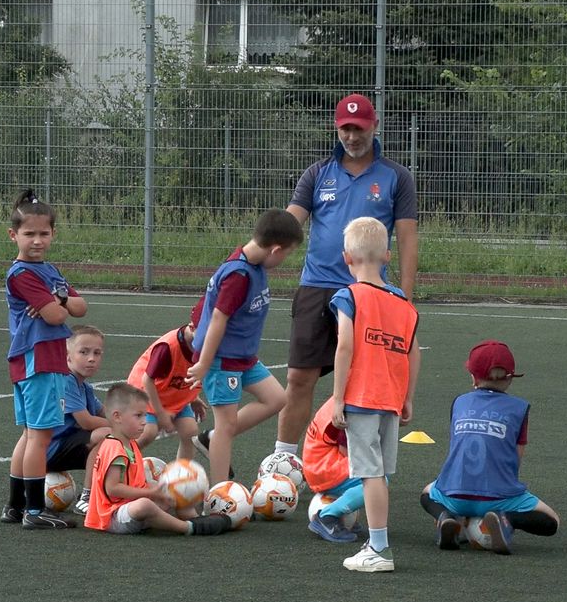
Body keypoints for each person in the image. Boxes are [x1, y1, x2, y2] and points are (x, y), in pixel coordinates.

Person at [275, 92, 419, 458]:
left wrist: (403, 297)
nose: (352, 137)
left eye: (359, 129)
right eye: (345, 130)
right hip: (315, 288)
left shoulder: (396, 178)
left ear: (374, 126)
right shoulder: (317, 173)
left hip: (368, 294)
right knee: (298, 378)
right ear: (336, 129)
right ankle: (284, 461)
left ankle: (356, 468)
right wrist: (254, 254)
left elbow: (406, 238)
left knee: (363, 384)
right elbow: (290, 224)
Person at [187, 208, 304, 484]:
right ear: (275, 249)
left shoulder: (252, 265)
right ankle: (218, 492)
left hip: (243, 358)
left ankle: (213, 439)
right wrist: (204, 362)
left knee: (277, 398)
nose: (285, 259)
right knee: (226, 426)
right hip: (221, 360)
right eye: (286, 254)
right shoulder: (239, 275)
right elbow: (218, 317)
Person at [330, 216, 420, 573]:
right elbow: (413, 351)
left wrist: (338, 397)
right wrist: (408, 396)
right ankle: (376, 543)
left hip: (363, 397)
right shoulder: (402, 300)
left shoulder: (348, 296)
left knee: (370, 475)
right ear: (386, 255)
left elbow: (344, 346)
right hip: (391, 399)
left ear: (346, 258)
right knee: (379, 474)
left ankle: (379, 548)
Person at [0, 188, 88, 529]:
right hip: (39, 360)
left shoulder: (49, 270)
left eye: (44, 233)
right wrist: (60, 302)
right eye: (29, 234)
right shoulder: (22, 274)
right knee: (40, 436)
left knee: (29, 435)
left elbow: (79, 307)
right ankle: (34, 511)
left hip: (39, 359)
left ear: (53, 234)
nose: (37, 240)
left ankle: (15, 506)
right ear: (13, 235)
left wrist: (59, 301)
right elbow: (55, 316)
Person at [419, 340, 559, 554]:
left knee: (427, 493)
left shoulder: (459, 402)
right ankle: (506, 520)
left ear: (473, 377)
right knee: (552, 521)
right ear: (510, 377)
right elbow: (516, 457)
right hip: (499, 496)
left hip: (454, 492)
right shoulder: (519, 408)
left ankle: (445, 517)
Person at [84, 383, 232, 536]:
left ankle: (194, 517)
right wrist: (151, 493)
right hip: (111, 516)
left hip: (127, 507)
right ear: (117, 417)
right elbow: (113, 488)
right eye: (138, 416)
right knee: (145, 505)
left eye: (145, 415)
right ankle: (189, 527)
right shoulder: (114, 447)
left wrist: (160, 491)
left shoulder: (129, 443)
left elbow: (135, 483)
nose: (144, 421)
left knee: (171, 491)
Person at [46, 325, 113, 516]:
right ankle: (86, 497)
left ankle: (108, 491)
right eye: (84, 352)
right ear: (67, 356)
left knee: (118, 439)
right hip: (49, 450)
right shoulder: (66, 380)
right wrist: (120, 425)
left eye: (97, 353)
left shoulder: (86, 387)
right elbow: (86, 422)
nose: (91, 358)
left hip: (66, 447)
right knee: (107, 435)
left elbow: (105, 413)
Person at [126, 313, 207, 462]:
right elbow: (147, 380)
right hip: (144, 391)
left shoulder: (208, 347)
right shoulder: (168, 347)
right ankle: (119, 464)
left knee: (190, 432)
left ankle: (180, 478)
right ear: (191, 327)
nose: (209, 341)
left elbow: (184, 372)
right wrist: (161, 413)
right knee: (147, 432)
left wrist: (193, 397)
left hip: (171, 393)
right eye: (205, 335)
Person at [303, 397, 366, 544]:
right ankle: (327, 516)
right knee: (378, 479)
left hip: (318, 466)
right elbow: (347, 451)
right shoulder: (353, 406)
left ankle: (339, 513)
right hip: (325, 469)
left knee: (376, 475)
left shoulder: (344, 397)